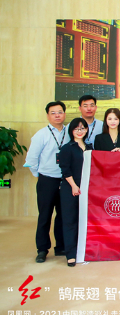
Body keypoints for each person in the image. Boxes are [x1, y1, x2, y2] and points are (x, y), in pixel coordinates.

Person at [24, 101, 70, 263]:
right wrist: (40, 176)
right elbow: (31, 160)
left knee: (63, 215)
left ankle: (61, 247)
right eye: (53, 113)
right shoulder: (41, 134)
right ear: (47, 115)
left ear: (64, 114)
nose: (57, 115)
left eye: (60, 112)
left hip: (66, 180)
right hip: (47, 180)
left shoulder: (69, 132)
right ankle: (42, 249)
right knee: (45, 215)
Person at [58, 118, 93, 267]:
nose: (80, 131)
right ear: (71, 131)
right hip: (71, 188)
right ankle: (71, 254)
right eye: (76, 129)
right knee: (70, 221)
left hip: (87, 189)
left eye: (82, 128)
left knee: (84, 221)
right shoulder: (67, 148)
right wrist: (73, 185)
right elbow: (65, 169)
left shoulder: (90, 147)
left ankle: (83, 251)